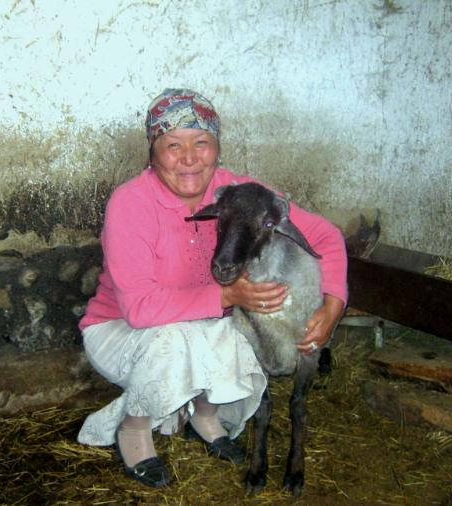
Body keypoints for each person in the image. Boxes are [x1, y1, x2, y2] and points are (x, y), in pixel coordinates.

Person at [77, 88, 348, 488]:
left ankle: (204, 417)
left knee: (244, 332)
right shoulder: (130, 202)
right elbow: (139, 309)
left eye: (201, 143)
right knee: (176, 340)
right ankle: (133, 429)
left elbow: (326, 235)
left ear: (217, 148)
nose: (189, 158)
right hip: (123, 330)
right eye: (173, 145)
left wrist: (332, 305)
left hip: (201, 321)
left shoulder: (241, 193)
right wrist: (227, 296)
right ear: (153, 152)